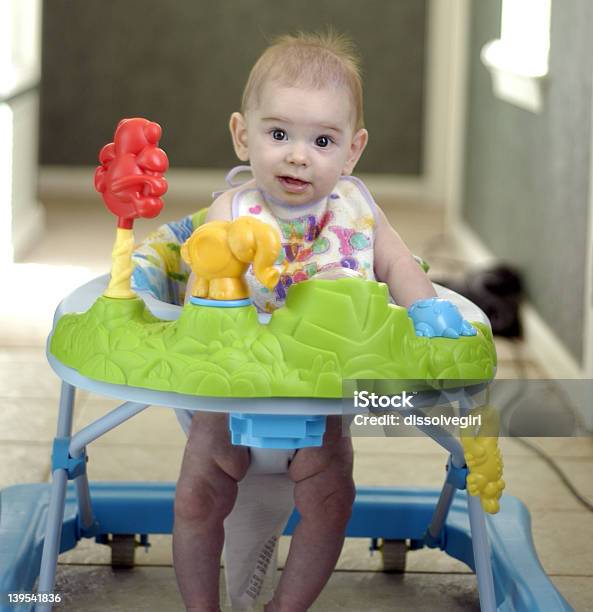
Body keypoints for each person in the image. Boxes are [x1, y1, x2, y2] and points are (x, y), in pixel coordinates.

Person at [172, 30, 472, 612]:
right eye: (278, 133)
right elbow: (207, 282)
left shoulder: (358, 210)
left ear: (353, 150)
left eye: (322, 140)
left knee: (333, 499)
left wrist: (428, 308)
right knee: (195, 499)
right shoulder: (231, 210)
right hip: (234, 393)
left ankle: (287, 607)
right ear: (243, 135)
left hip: (324, 393)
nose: (297, 154)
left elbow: (398, 264)